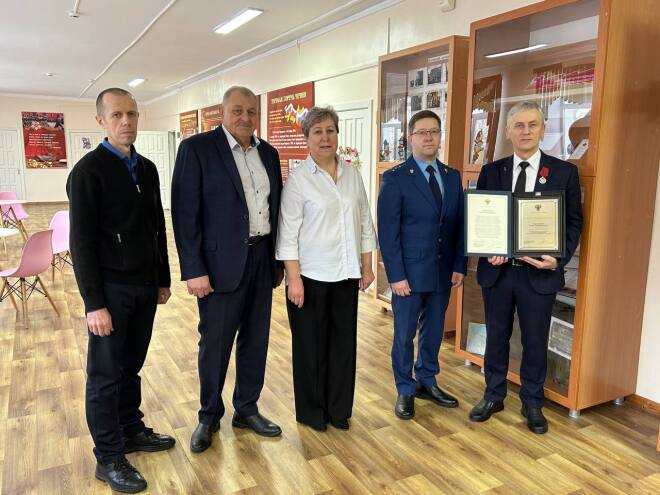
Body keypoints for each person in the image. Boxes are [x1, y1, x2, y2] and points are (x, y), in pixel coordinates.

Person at [67, 88, 174, 494]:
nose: (126, 121)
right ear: (101, 121)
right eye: (116, 115)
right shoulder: (88, 172)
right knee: (105, 376)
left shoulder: (147, 168)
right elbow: (81, 243)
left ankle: (131, 429)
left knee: (131, 365)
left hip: (145, 287)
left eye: (131, 114)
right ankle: (109, 456)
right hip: (110, 291)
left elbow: (157, 226)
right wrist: (94, 303)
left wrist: (163, 277)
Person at [171, 86, 284, 453]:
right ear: (222, 112)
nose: (245, 118)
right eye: (237, 110)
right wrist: (193, 269)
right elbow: (185, 215)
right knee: (215, 344)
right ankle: (208, 415)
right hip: (219, 267)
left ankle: (247, 409)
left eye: (251, 111)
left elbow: (276, 208)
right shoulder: (197, 149)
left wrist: (277, 261)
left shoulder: (268, 153)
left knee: (256, 339)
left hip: (261, 258)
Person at [468, 101, 582, 434]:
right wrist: (489, 250)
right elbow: (482, 219)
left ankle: (532, 402)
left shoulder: (563, 173)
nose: (526, 131)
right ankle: (493, 395)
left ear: (543, 129)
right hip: (499, 273)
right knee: (496, 336)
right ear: (508, 132)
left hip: (539, 273)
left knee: (535, 340)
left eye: (533, 124)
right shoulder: (492, 171)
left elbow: (574, 222)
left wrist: (558, 258)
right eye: (518, 125)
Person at [276, 106, 377, 432]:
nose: (325, 138)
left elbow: (364, 220)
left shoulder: (351, 174)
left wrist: (367, 265)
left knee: (343, 345)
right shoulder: (298, 181)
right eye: (317, 132)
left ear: (337, 135)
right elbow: (287, 235)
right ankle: (312, 412)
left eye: (330, 131)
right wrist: (293, 279)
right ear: (307, 138)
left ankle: (338, 409)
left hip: (346, 274)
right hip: (310, 277)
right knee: (310, 347)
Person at [377, 110, 467, 420]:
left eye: (434, 132)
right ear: (411, 138)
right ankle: (405, 387)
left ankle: (427, 380)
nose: (429, 137)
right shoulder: (396, 178)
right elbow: (388, 233)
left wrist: (459, 265)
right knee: (404, 334)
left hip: (443, 271)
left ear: (440, 136)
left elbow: (459, 225)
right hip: (409, 274)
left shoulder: (452, 176)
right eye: (422, 132)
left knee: (434, 330)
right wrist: (396, 276)